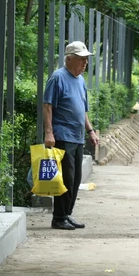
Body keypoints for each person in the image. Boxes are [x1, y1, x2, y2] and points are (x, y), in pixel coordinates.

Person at [43, 41, 99, 230]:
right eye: (81, 60)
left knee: (75, 179)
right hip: (62, 136)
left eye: (86, 60)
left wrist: (90, 131)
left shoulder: (80, 80)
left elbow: (82, 110)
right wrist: (49, 132)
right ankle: (58, 217)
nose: (85, 63)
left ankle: (67, 214)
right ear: (69, 59)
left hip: (77, 136)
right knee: (65, 178)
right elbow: (47, 105)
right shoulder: (58, 78)